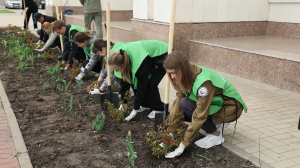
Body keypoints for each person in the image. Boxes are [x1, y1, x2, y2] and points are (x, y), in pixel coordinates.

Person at [162, 51, 247, 158]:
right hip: (215, 105)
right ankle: (215, 124)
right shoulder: (187, 74)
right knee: (183, 103)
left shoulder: (203, 83)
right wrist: (171, 132)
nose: (172, 77)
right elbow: (178, 102)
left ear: (182, 68)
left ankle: (215, 135)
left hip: (230, 108)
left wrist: (184, 143)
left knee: (189, 106)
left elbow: (200, 114)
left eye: (173, 73)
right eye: (169, 73)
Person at [107, 41, 168, 121]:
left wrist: (135, 109)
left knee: (150, 84)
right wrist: (123, 102)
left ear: (123, 65)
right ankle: (144, 104)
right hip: (146, 57)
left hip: (163, 54)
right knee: (134, 82)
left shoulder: (139, 62)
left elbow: (142, 85)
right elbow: (124, 83)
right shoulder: (118, 57)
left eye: (117, 69)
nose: (117, 71)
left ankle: (159, 109)